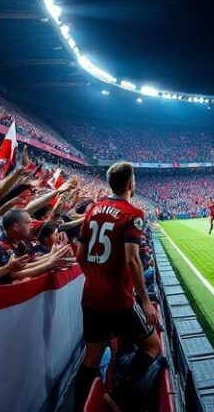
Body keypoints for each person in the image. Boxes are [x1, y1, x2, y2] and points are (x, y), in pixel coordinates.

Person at [74, 162, 160, 411]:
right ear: (131, 183)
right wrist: (144, 301)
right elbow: (133, 259)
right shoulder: (133, 214)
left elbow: (80, 254)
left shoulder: (93, 209)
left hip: (91, 296)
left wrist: (95, 276)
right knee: (153, 346)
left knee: (91, 358)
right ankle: (119, 396)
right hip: (118, 299)